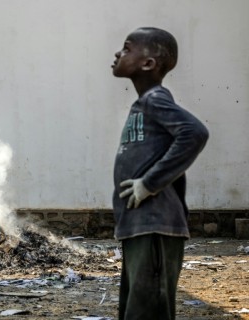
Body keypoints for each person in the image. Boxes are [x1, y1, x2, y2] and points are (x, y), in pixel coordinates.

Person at [111, 27, 209, 319]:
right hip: (139, 226)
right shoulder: (143, 104)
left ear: (148, 63)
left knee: (148, 311)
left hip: (155, 226)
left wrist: (149, 184)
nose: (118, 53)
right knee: (136, 309)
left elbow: (195, 132)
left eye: (127, 48)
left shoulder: (154, 99)